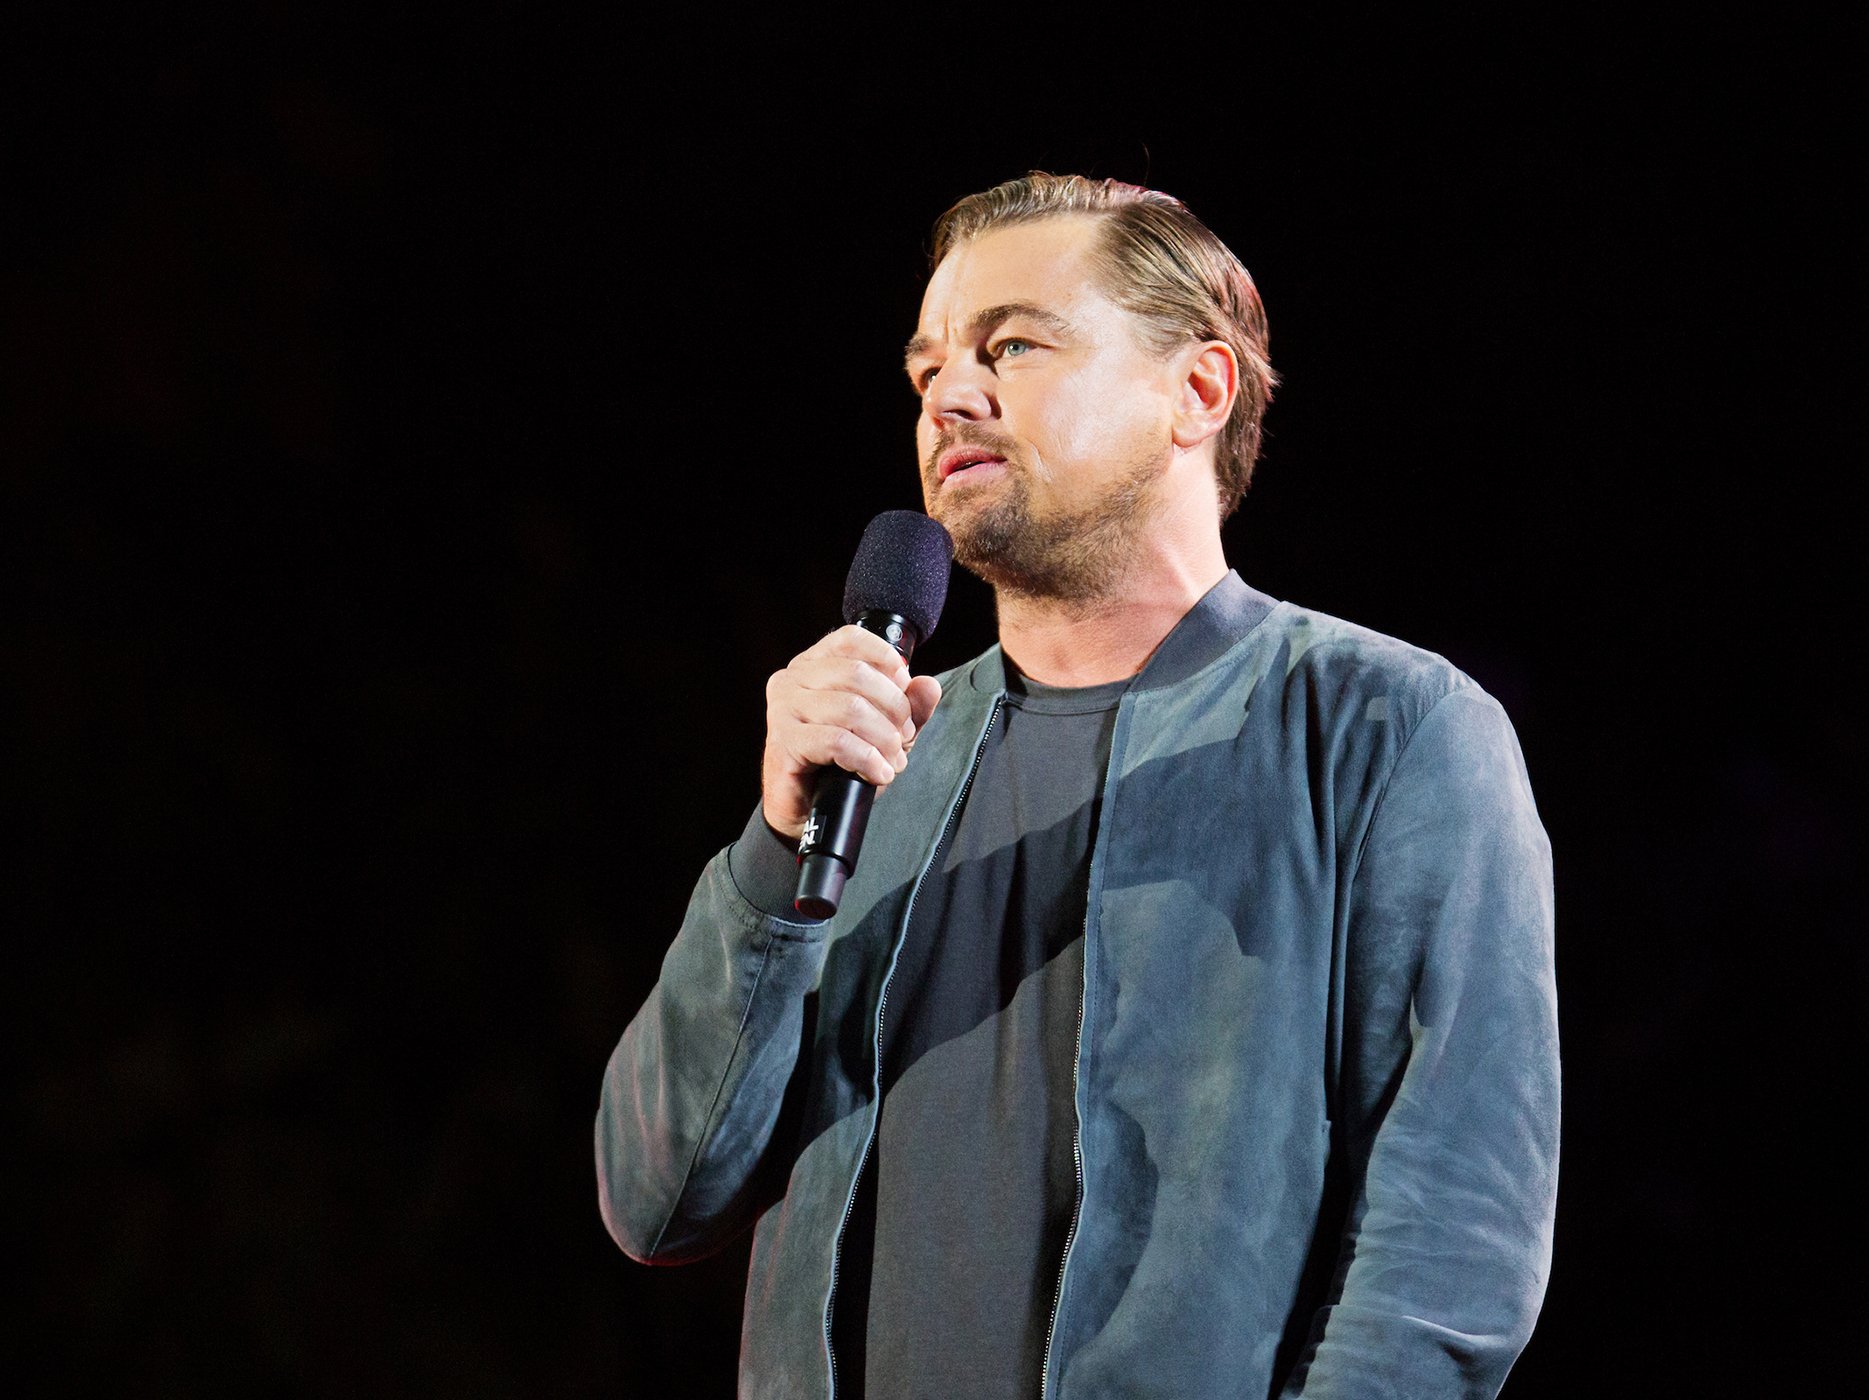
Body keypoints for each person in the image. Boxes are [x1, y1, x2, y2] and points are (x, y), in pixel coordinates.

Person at [595, 173, 1559, 1400]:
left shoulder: (1384, 730)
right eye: (927, 366)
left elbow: (1451, 1252)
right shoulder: (881, 764)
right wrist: (776, 853)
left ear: (1197, 391)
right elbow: (656, 1193)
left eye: (1015, 345)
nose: (951, 392)